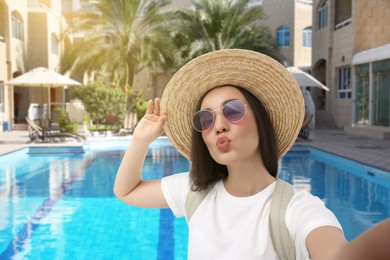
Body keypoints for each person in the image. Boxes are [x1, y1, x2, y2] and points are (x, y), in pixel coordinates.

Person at [114, 49, 389, 259]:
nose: (219, 125)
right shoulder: (193, 191)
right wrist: (140, 141)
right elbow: (126, 191)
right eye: (206, 119)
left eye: (233, 111)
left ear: (261, 120)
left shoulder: (298, 209)